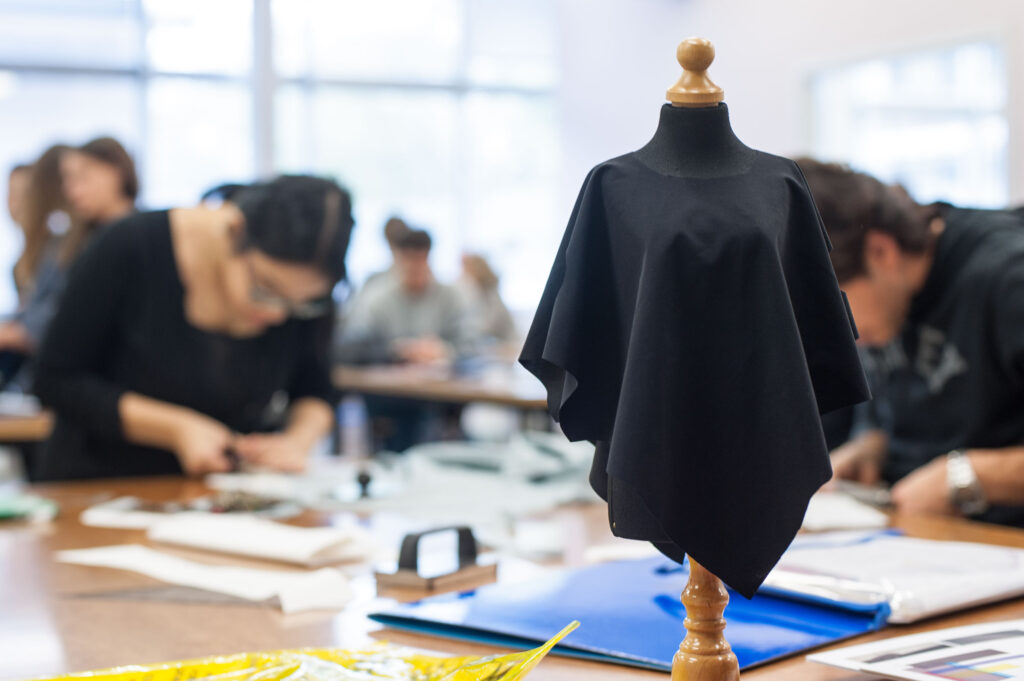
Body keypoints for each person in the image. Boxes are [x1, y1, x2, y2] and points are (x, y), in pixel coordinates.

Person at [32, 175, 354, 481]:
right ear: (234, 229)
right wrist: (175, 428)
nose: (277, 314)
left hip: (222, 502)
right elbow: (55, 377)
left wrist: (295, 441)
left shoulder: (308, 289)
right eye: (265, 288)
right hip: (97, 489)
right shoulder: (130, 245)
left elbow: (315, 387)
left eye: (301, 304)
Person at [797, 158, 1024, 525]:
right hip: (913, 536)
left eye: (834, 312)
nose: (839, 339)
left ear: (881, 252)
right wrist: (871, 449)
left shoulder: (1006, 277)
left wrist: (968, 477)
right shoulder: (885, 302)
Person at [0, 139, 137, 364]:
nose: (72, 190)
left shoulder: (130, 239)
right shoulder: (73, 241)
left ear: (115, 172)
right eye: (69, 180)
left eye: (82, 177)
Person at [335, 228, 474, 365]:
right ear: (396, 259)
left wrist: (444, 350)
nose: (413, 267)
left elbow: (473, 346)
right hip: (386, 386)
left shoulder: (452, 298)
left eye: (419, 259)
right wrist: (394, 351)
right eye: (408, 259)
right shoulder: (378, 299)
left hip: (442, 386)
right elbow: (347, 347)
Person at [456, 253, 517, 345]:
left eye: (466, 268)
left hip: (505, 345)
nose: (463, 273)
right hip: (490, 345)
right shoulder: (474, 291)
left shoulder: (490, 294)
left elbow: (487, 326)